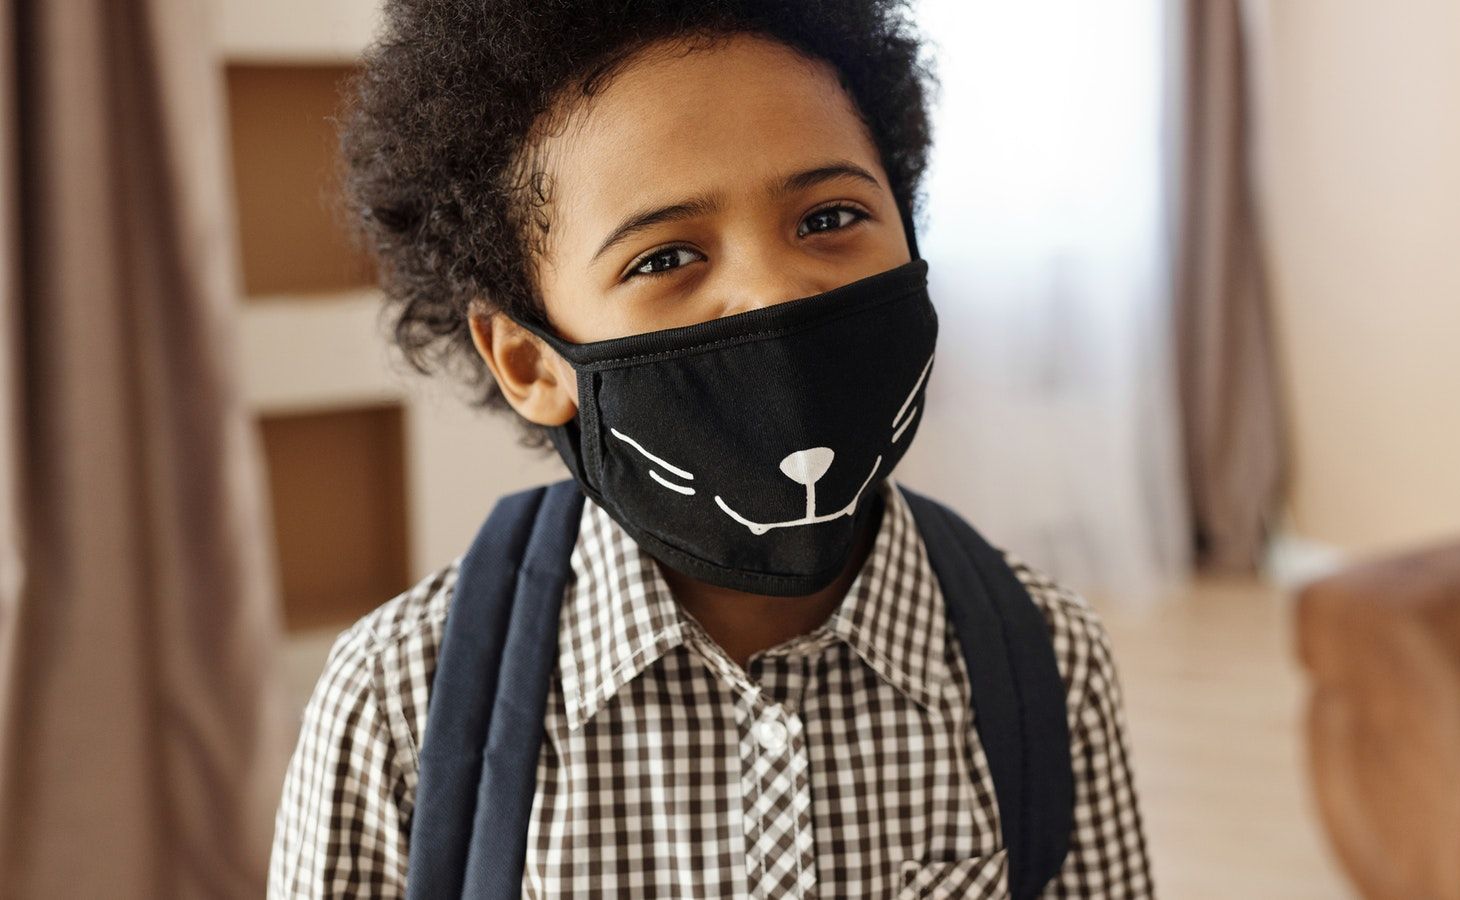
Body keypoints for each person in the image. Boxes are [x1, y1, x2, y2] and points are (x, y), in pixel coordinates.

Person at [268, 0, 1154, 896]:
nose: (774, 295)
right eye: (663, 259)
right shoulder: (397, 708)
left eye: (829, 216)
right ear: (530, 362)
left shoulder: (1046, 658)